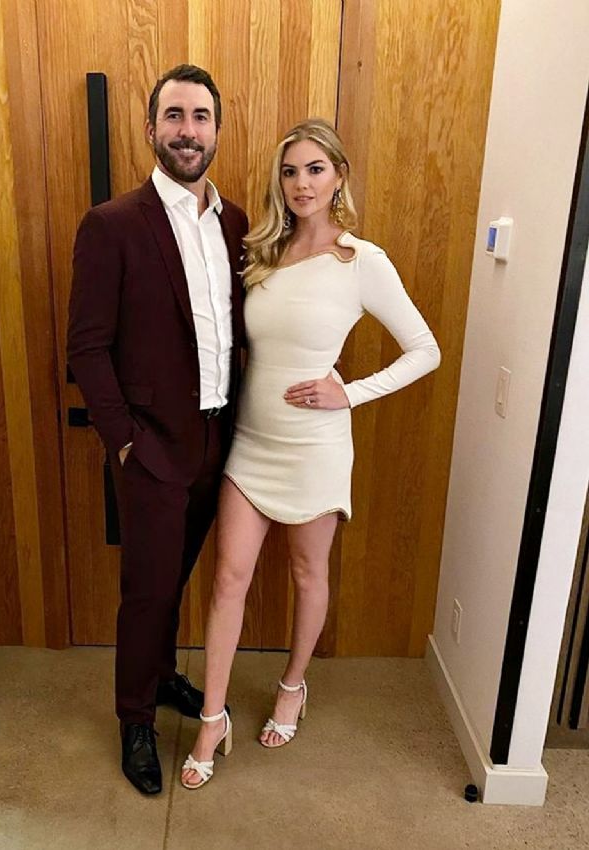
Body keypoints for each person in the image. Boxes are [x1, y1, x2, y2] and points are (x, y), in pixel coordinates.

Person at [180, 118, 441, 789]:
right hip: (251, 443)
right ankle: (212, 717)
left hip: (316, 447)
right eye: (291, 171)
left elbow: (426, 350)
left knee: (307, 573)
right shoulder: (262, 252)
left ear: (339, 176)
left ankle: (293, 685)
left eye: (315, 169)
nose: (302, 184)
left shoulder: (362, 261)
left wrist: (348, 393)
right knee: (228, 580)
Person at [67, 64, 249, 796]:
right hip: (151, 447)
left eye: (200, 117)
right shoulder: (111, 225)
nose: (187, 130)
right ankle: (135, 718)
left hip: (220, 440)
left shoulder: (236, 223)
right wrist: (125, 441)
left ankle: (163, 673)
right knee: (146, 591)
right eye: (174, 116)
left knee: (175, 577)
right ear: (151, 129)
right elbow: (86, 347)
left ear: (217, 131)